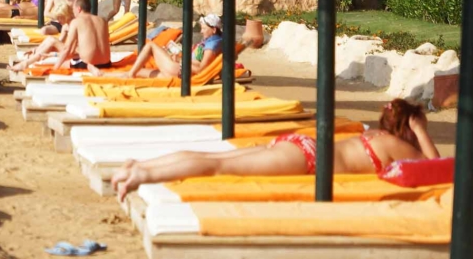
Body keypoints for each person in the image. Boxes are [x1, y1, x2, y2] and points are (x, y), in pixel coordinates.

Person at [110, 98, 441, 202]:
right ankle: (142, 174)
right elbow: (437, 167)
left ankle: (141, 165)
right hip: (308, 157)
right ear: (408, 125)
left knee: (215, 159)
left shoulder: (376, 134)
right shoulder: (396, 145)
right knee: (216, 166)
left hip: (301, 147)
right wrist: (420, 130)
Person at [91, 14, 222, 78]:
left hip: (180, 71)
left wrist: (180, 60)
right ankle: (102, 75)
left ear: (214, 29)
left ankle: (129, 74)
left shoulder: (212, 44)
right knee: (139, 72)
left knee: (151, 46)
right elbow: (198, 62)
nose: (201, 31)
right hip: (179, 71)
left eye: (204, 28)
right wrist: (177, 57)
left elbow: (202, 70)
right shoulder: (211, 41)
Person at [9, 4, 75, 71]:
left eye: (60, 17)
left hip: (74, 51)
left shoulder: (74, 25)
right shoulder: (65, 26)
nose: (58, 20)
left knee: (52, 40)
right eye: (57, 18)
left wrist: (54, 55)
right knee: (50, 39)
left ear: (66, 15)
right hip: (67, 49)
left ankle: (27, 62)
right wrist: (38, 48)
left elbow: (70, 48)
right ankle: (33, 56)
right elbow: (59, 42)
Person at [54, 0, 111, 69]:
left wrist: (56, 68)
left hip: (87, 64)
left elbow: (67, 48)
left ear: (79, 9)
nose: (73, 12)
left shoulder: (76, 22)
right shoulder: (102, 20)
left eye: (73, 9)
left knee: (64, 63)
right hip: (106, 63)